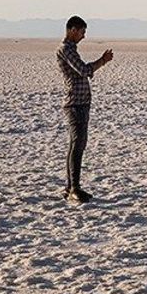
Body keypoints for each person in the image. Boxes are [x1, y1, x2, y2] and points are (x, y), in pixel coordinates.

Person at [55, 16, 113, 203]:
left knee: (77, 145)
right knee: (77, 145)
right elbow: (84, 70)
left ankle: (71, 187)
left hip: (81, 103)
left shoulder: (71, 49)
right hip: (75, 104)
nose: (83, 36)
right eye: (82, 32)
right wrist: (102, 61)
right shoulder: (66, 50)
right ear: (72, 30)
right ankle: (74, 188)